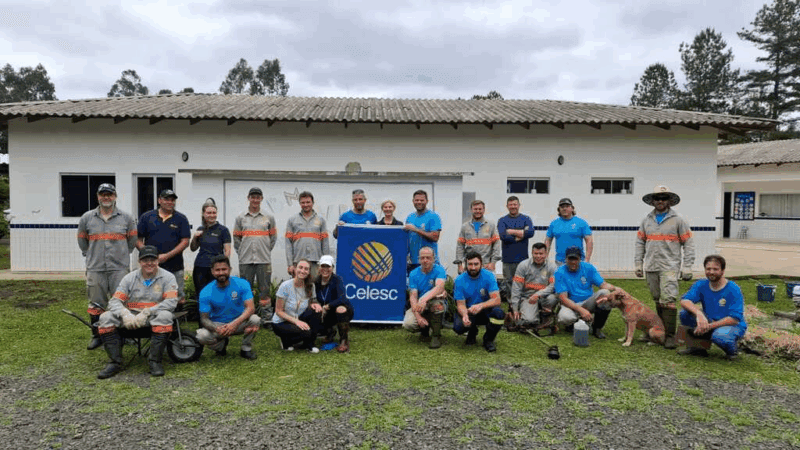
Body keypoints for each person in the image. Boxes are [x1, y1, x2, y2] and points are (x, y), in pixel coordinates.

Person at [95, 245, 178, 379]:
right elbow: (114, 301)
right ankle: (115, 362)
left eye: (153, 259)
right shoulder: (129, 278)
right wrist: (125, 314)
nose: (149, 263)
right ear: (139, 262)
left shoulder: (168, 277)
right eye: (145, 260)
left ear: (158, 260)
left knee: (166, 316)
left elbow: (171, 302)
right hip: (131, 317)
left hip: (153, 316)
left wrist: (147, 312)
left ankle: (155, 361)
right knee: (105, 317)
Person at [77, 183, 137, 350]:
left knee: (122, 301)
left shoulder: (126, 218)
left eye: (109, 194)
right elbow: (82, 242)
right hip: (96, 268)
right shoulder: (87, 218)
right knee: (96, 303)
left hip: (119, 268)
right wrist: (91, 256)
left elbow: (132, 242)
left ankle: (123, 334)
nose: (106, 197)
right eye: (103, 194)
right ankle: (98, 336)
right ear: (98, 196)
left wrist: (123, 255)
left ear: (115, 196)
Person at [635, 185, 695, 349]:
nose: (660, 201)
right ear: (653, 201)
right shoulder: (647, 220)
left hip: (669, 266)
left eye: (663, 198)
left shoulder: (678, 220)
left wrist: (688, 266)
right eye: (657, 198)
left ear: (669, 201)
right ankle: (659, 332)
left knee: (668, 300)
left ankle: (669, 337)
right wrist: (638, 263)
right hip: (652, 266)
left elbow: (688, 243)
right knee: (658, 300)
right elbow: (640, 242)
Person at [678, 255, 746, 360]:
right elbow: (684, 301)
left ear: (723, 271)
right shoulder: (701, 284)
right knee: (685, 314)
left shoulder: (733, 289)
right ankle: (698, 348)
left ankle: (732, 352)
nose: (711, 272)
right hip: (709, 320)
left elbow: (734, 319)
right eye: (708, 269)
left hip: (731, 325)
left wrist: (709, 326)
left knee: (720, 336)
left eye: (715, 269)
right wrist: (699, 314)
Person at [196, 255, 260, 360]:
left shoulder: (242, 284)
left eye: (224, 269)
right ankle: (220, 346)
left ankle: (246, 348)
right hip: (219, 325)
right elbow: (204, 318)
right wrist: (217, 329)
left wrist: (233, 324)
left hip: (239, 322)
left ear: (230, 269)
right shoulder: (205, 292)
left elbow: (250, 308)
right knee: (201, 336)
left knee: (255, 319)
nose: (221, 272)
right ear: (212, 271)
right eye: (217, 270)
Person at [137, 189, 191, 302]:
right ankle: (152, 318)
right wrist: (149, 255)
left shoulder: (181, 219)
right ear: (159, 200)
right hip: (151, 266)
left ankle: (178, 319)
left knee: (177, 295)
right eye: (166, 199)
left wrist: (167, 255)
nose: (170, 202)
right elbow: (137, 240)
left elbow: (185, 241)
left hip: (175, 266)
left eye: (172, 200)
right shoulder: (147, 217)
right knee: (151, 294)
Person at [233, 187, 278, 320]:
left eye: (258, 197)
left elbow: (273, 238)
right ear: (248, 198)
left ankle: (266, 317)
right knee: (246, 290)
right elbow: (236, 239)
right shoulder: (240, 217)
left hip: (263, 260)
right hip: (245, 260)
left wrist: (264, 250)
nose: (255, 200)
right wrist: (241, 252)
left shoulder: (269, 217)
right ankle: (246, 317)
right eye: (253, 197)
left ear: (261, 199)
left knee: (265, 289)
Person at [555, 246, 616, 338]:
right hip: (570, 304)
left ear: (580, 258)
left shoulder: (588, 268)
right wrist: (581, 310)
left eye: (575, 259)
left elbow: (603, 285)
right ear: (565, 259)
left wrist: (617, 289)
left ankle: (597, 328)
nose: (572, 262)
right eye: (570, 259)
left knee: (605, 293)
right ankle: (575, 323)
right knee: (565, 318)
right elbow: (563, 298)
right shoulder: (560, 272)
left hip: (588, 302)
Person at [453, 251, 505, 352]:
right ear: (465, 264)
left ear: (481, 264)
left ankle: (488, 339)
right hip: (469, 310)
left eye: (476, 264)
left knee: (499, 314)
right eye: (470, 264)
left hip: (485, 310)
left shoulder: (489, 276)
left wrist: (481, 306)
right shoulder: (459, 280)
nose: (473, 267)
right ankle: (472, 331)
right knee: (458, 327)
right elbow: (460, 304)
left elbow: (497, 299)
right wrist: (464, 315)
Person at [272, 259, 323, 352]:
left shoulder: (311, 285)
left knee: (316, 311)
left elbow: (313, 301)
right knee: (307, 332)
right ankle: (286, 340)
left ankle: (310, 344)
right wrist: (297, 322)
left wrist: (316, 304)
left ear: (309, 272)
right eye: (300, 267)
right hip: (281, 322)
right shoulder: (285, 286)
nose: (303, 271)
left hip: (298, 316)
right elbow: (278, 311)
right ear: (295, 269)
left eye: (306, 269)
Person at [402, 246, 447, 349]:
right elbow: (413, 297)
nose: (425, 260)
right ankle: (424, 330)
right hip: (420, 305)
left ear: (433, 259)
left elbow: (439, 288)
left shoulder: (440, 270)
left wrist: (423, 300)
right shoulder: (413, 274)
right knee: (408, 324)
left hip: (434, 301)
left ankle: (436, 335)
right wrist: (418, 316)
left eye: (428, 257)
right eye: (422, 258)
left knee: (438, 305)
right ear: (418, 259)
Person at [189, 199, 231, 300]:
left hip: (216, 269)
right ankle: (202, 315)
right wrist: (195, 237)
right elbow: (193, 248)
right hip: (200, 266)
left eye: (214, 213)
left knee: (217, 294)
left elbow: (227, 251)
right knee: (201, 294)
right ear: (204, 214)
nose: (212, 215)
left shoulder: (223, 230)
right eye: (209, 213)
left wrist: (224, 267)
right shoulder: (201, 229)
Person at [510, 242, 558, 330]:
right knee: (529, 321)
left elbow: (552, 286)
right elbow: (516, 288)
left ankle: (545, 315)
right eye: (536, 253)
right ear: (532, 253)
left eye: (541, 254)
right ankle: (532, 313)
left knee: (553, 298)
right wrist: (515, 309)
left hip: (544, 297)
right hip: (528, 298)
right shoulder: (523, 265)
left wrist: (538, 295)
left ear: (546, 254)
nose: (538, 256)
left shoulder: (552, 267)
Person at [285, 191, 330, 280]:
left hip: (316, 262)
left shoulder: (321, 220)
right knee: (298, 289)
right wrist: (290, 264)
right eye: (303, 202)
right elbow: (288, 244)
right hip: (298, 261)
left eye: (308, 202)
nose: (305, 205)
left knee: (314, 289)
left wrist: (326, 263)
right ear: (299, 203)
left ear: (313, 203)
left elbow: (325, 243)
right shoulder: (292, 220)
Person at [497, 196, 534, 301]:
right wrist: (521, 234)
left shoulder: (526, 219)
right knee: (509, 282)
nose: (513, 207)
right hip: (508, 259)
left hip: (523, 258)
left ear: (519, 205)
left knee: (523, 281)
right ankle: (511, 304)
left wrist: (511, 231)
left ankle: (522, 302)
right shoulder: (502, 220)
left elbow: (530, 232)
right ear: (507, 206)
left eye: (515, 204)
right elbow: (503, 236)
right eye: (510, 205)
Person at [314, 255, 354, 353]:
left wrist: (328, 306)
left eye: (328, 266)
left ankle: (344, 341)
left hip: (342, 309)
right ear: (319, 267)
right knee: (315, 309)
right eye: (323, 266)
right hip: (327, 312)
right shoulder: (316, 282)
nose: (325, 269)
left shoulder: (337, 280)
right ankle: (329, 334)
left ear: (332, 268)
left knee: (340, 309)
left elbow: (342, 298)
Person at [456, 200, 501, 275]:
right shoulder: (465, 226)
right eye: (475, 209)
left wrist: (493, 263)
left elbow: (496, 245)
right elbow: (460, 246)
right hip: (470, 266)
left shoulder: (491, 225)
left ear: (484, 210)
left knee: (488, 286)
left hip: (486, 266)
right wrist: (460, 264)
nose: (478, 211)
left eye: (480, 209)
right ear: (471, 210)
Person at [545, 198, 593, 266]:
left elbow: (589, 241)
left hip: (578, 261)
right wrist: (545, 258)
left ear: (572, 208)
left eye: (567, 206)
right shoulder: (554, 224)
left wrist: (587, 259)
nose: (564, 209)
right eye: (562, 207)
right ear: (559, 209)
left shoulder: (581, 223)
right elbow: (547, 241)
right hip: (560, 262)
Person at [404, 190, 442, 274]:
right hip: (413, 262)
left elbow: (435, 237)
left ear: (427, 201)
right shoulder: (410, 217)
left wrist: (416, 229)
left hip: (429, 262)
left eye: (422, 200)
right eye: (416, 200)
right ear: (413, 201)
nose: (419, 202)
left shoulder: (433, 216)